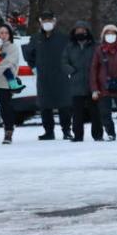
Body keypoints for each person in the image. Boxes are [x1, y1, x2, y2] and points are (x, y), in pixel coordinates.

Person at [25, 11, 72, 140]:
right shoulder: (36, 39)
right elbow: (28, 53)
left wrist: (69, 69)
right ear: (41, 22)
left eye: (49, 21)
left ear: (54, 21)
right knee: (45, 105)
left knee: (64, 105)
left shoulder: (63, 38)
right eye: (44, 21)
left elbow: (71, 54)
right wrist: (33, 66)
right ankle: (48, 131)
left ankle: (66, 130)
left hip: (61, 75)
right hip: (43, 76)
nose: (47, 23)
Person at [63, 21, 99, 141]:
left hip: (92, 84)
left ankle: (98, 135)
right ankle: (78, 136)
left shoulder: (95, 46)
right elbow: (64, 63)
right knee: (77, 113)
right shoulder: (69, 47)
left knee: (95, 112)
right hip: (76, 84)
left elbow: (100, 62)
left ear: (87, 31)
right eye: (77, 30)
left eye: (82, 30)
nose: (80, 32)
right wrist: (72, 71)